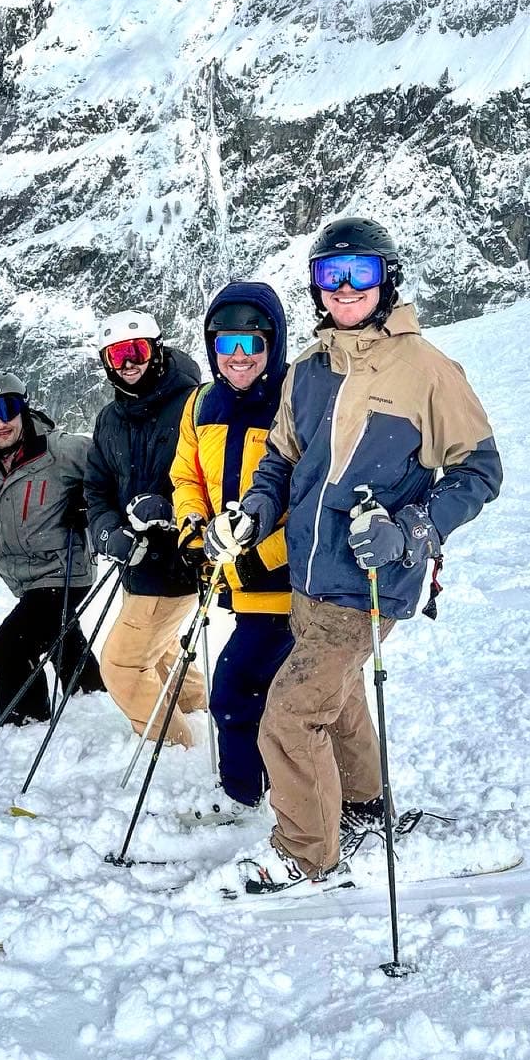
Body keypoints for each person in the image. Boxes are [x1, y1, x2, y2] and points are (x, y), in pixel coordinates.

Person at [205, 217, 502, 894]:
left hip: (369, 578)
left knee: (289, 711)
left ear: (386, 279)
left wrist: (414, 529)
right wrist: (256, 508)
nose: (343, 289)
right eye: (329, 276)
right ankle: (364, 807)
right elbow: (282, 458)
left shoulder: (426, 370)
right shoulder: (309, 370)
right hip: (307, 578)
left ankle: (306, 852)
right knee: (334, 701)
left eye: (359, 274)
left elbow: (478, 470)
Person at [170, 282, 293, 813]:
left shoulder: (295, 402)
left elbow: (311, 499)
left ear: (274, 344)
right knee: (259, 697)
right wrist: (192, 528)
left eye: (252, 344)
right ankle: (263, 798)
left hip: (291, 585)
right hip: (235, 581)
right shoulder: (201, 403)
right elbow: (186, 476)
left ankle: (250, 801)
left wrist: (260, 555)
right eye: (226, 345)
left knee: (239, 694)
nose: (239, 359)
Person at [0, 371, 103, 726]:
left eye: (8, 408)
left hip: (65, 568)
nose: (0, 422)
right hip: (20, 574)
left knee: (11, 647)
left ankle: (23, 730)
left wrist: (89, 503)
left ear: (23, 409)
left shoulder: (59, 449)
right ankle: (94, 698)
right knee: (60, 633)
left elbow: (110, 468)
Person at [84, 309, 207, 747]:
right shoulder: (110, 420)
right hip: (135, 567)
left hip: (176, 563)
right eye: (117, 356)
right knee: (163, 649)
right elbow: (96, 489)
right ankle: (200, 714)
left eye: (136, 351)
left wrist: (170, 509)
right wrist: (108, 533)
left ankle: (176, 747)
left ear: (157, 350)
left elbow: (214, 478)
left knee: (120, 666)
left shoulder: (195, 403)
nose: (128, 363)